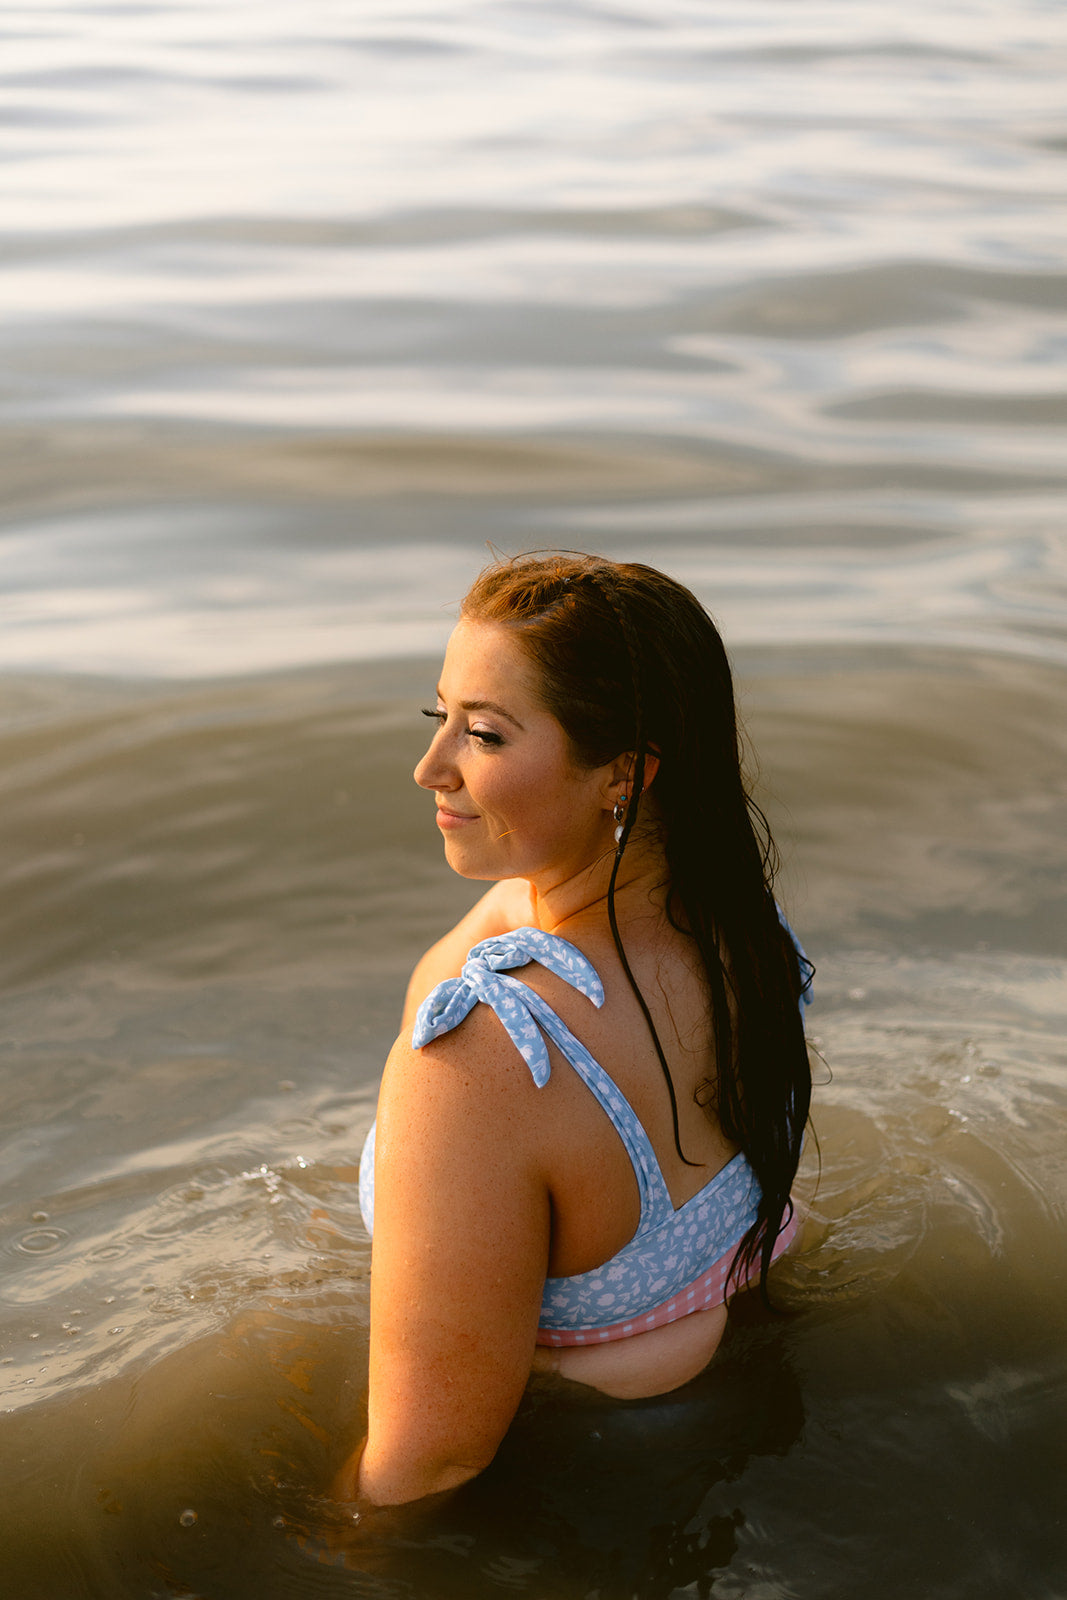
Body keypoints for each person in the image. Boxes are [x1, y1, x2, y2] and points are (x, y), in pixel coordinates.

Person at [338, 552, 813, 1508]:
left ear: (623, 779)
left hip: (570, 1482)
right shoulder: (740, 933)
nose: (430, 768)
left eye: (483, 735)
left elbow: (428, 1465)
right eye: (441, 719)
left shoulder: (486, 1056)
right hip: (741, 1398)